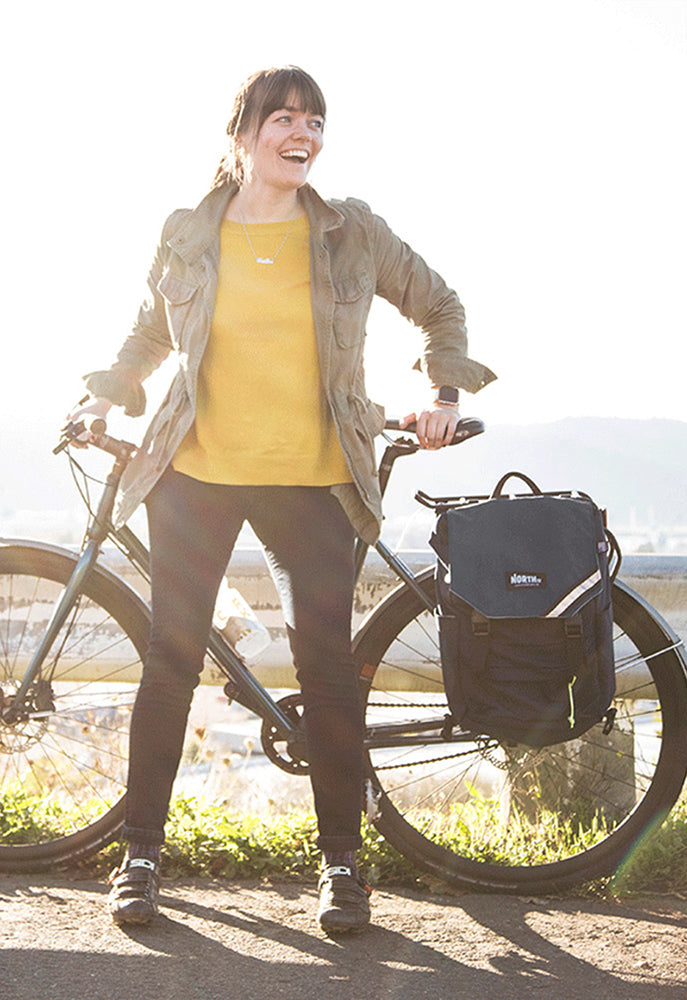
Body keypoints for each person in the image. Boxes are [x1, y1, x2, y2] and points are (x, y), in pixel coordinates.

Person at [67, 66, 495, 936]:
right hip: (193, 474)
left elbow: (439, 304)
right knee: (169, 661)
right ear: (243, 136)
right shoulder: (189, 231)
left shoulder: (351, 231)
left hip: (314, 479)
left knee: (326, 670)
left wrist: (444, 393)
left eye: (315, 121)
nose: (304, 133)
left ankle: (342, 865)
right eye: (286, 119)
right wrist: (105, 395)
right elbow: (150, 332)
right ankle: (139, 856)